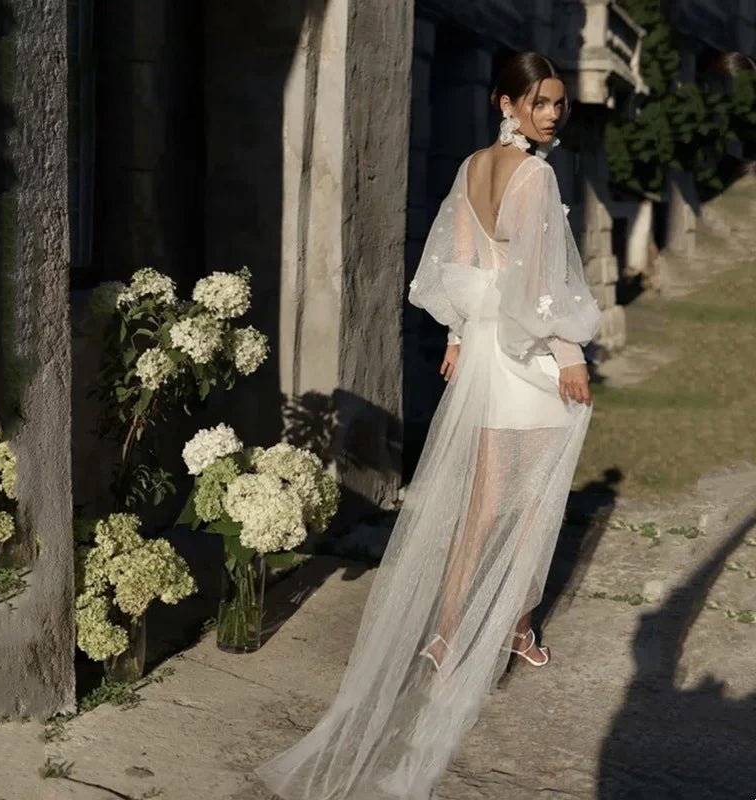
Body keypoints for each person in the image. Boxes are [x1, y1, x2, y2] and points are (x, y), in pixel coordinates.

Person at [254, 51, 602, 800]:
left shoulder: (473, 166)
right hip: (525, 357)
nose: (551, 115)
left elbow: (457, 260)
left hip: (480, 349)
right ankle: (511, 628)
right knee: (532, 499)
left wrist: (451, 340)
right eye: (539, 102)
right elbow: (544, 282)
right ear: (504, 102)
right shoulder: (536, 176)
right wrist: (571, 354)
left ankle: (449, 631)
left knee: (482, 501)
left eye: (558, 105)